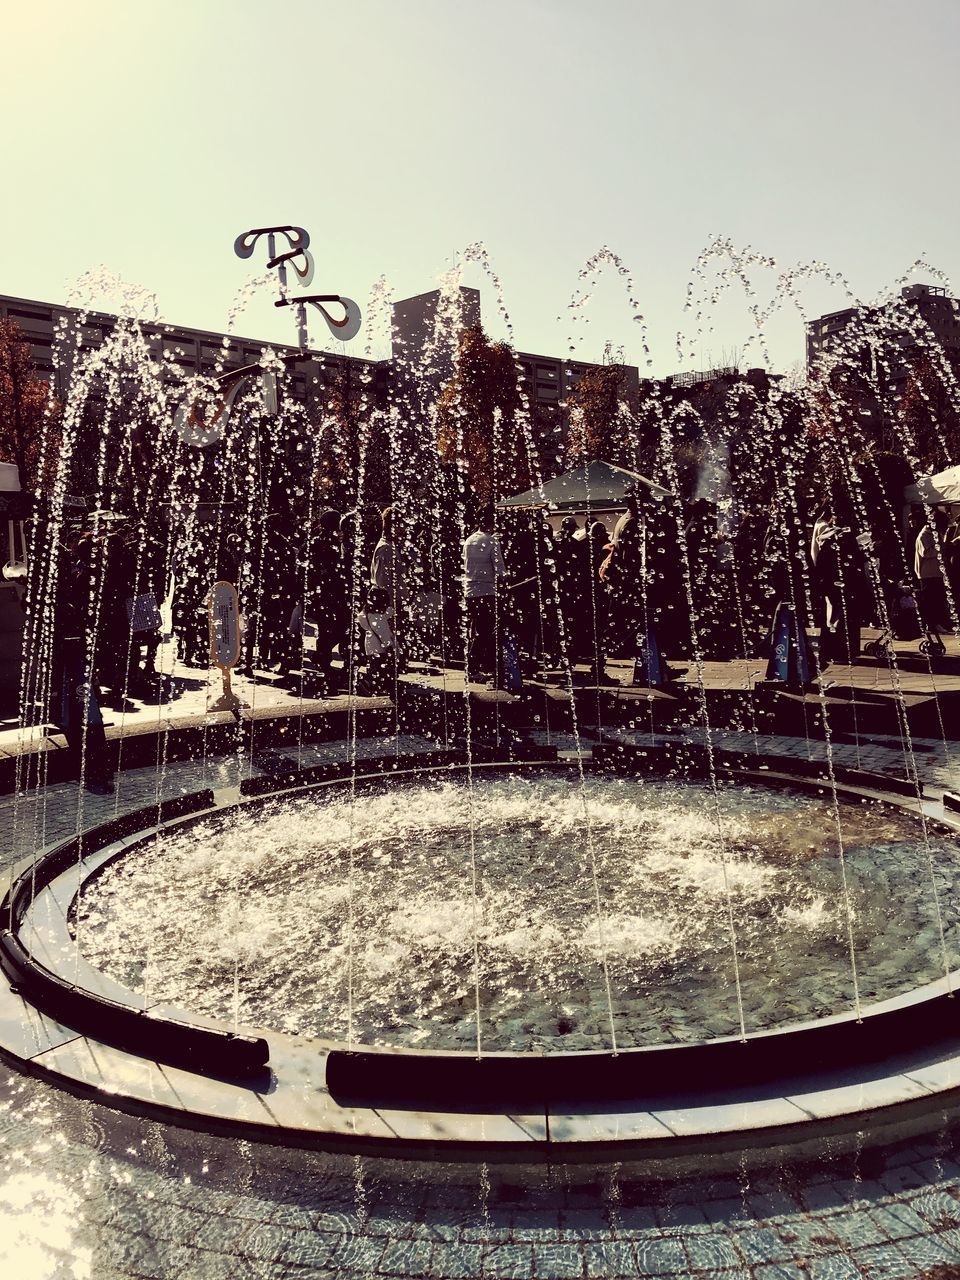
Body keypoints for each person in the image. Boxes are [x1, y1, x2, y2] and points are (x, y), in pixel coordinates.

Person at [463, 510, 507, 685]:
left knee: (476, 630)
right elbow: (499, 567)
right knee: (485, 631)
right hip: (486, 590)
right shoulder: (491, 541)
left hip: (470, 591)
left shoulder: (469, 540)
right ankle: (473, 667)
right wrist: (506, 576)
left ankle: (481, 665)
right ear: (491, 524)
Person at [357, 586, 395, 695]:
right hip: (379, 647)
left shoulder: (368, 612)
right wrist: (389, 645)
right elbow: (382, 632)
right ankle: (366, 685)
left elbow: (388, 613)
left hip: (371, 645)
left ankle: (372, 686)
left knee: (374, 668)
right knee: (380, 669)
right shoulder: (377, 616)